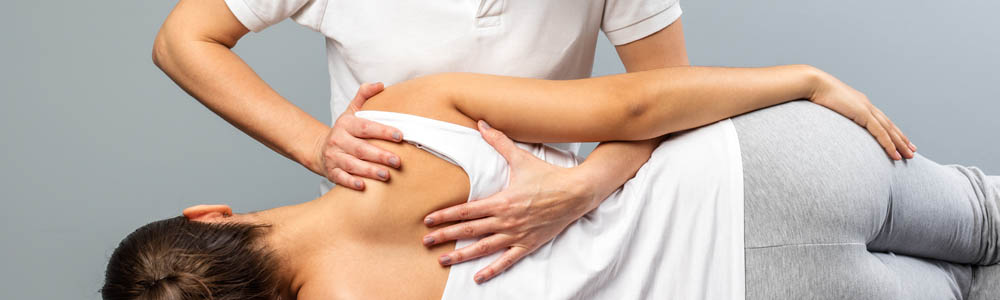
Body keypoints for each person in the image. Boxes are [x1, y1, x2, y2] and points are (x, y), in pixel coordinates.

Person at [152, 0, 918, 281]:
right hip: (397, 221)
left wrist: (581, 188)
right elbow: (185, 38)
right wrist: (317, 146)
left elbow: (656, 103)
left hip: (560, 223)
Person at [102, 68, 997, 299]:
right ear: (209, 214)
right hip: (764, 167)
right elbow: (639, 102)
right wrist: (801, 80)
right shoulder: (402, 119)